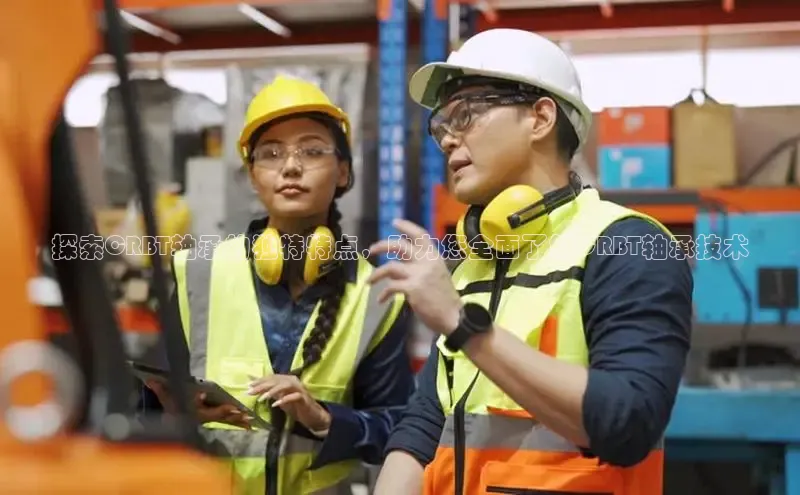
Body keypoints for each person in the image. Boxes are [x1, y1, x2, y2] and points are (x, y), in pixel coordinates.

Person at [369, 28, 693, 495]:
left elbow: (629, 420)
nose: (448, 140)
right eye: (442, 125)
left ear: (540, 118)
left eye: (466, 115)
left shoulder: (627, 245)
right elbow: (426, 422)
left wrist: (464, 326)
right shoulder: (472, 266)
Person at [140, 75, 415, 495]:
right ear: (253, 176)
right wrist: (178, 415)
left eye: (312, 150)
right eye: (270, 153)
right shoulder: (199, 272)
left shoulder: (377, 294)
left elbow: (397, 426)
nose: (290, 166)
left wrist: (324, 419)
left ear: (343, 172)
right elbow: (143, 410)